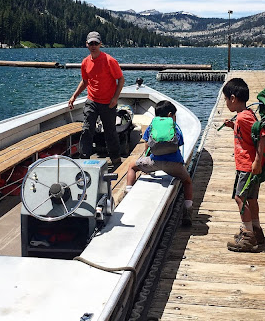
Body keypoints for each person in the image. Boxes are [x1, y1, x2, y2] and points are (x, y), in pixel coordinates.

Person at [125, 100, 194, 226]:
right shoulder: (174, 127)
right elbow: (180, 143)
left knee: (132, 167)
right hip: (175, 165)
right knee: (187, 182)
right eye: (174, 115)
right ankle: (187, 212)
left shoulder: (152, 125)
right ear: (170, 115)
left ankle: (128, 193)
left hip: (155, 162)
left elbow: (146, 144)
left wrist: (149, 156)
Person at [221, 77, 265, 252]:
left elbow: (262, 135)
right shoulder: (245, 116)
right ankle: (256, 230)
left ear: (233, 98)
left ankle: (247, 236)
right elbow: (249, 135)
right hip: (250, 165)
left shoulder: (244, 118)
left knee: (240, 198)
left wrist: (256, 161)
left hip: (247, 166)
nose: (225, 103)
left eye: (225, 99)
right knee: (251, 198)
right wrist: (233, 126)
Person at [68, 31, 125, 166]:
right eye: (91, 43)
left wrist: (115, 98)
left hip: (108, 103)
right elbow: (85, 81)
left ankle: (116, 159)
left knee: (110, 132)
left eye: (96, 43)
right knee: (87, 129)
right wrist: (74, 96)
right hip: (92, 101)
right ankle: (83, 160)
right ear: (86, 44)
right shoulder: (85, 62)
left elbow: (121, 79)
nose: (93, 46)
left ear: (100, 44)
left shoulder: (110, 61)